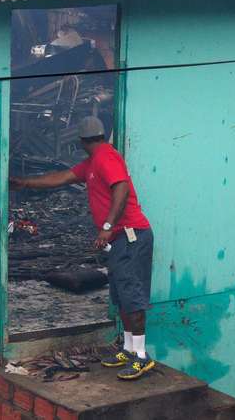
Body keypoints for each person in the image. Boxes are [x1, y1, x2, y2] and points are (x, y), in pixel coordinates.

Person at [9, 116, 155, 380]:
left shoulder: (106, 158)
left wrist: (108, 225)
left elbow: (121, 188)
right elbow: (62, 177)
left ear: (81, 141)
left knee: (131, 294)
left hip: (131, 236)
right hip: (120, 238)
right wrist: (24, 182)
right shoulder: (93, 161)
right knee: (121, 294)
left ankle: (142, 357)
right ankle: (129, 349)